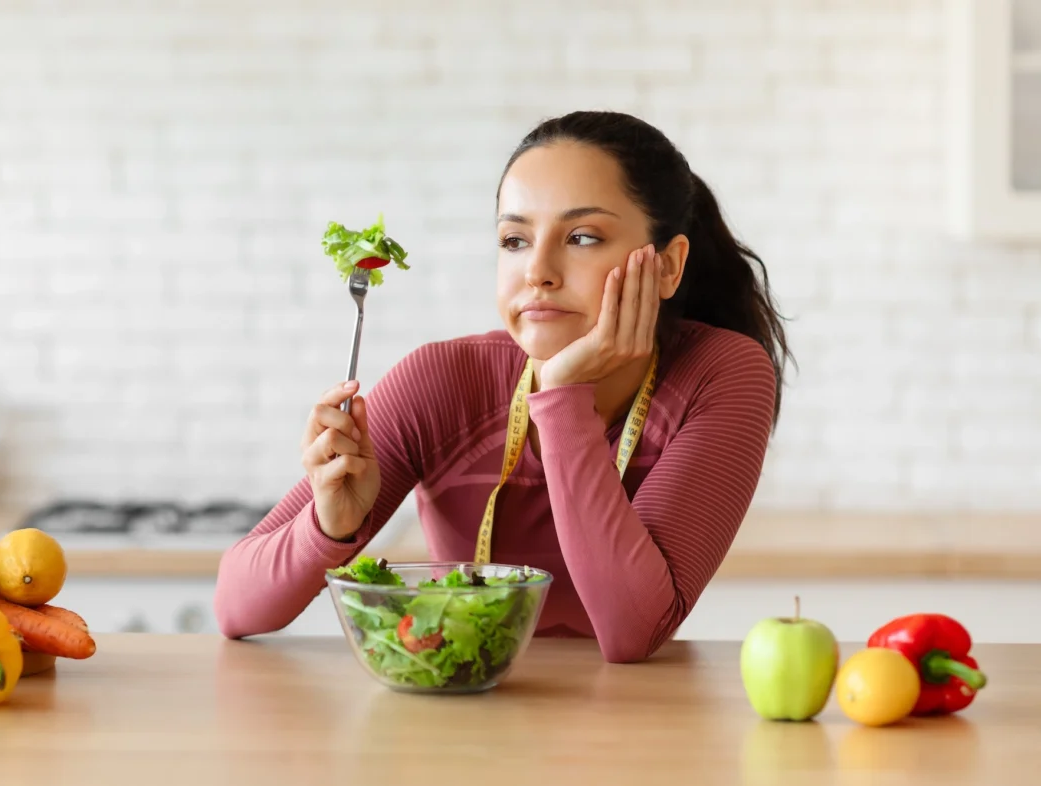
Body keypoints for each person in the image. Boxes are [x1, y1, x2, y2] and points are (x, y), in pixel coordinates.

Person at [214, 110, 791, 663]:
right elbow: (235, 607)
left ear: (667, 267)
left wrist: (562, 396)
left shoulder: (720, 375)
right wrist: (330, 526)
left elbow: (632, 632)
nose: (537, 269)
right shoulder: (444, 382)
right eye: (514, 240)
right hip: (471, 727)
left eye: (583, 237)